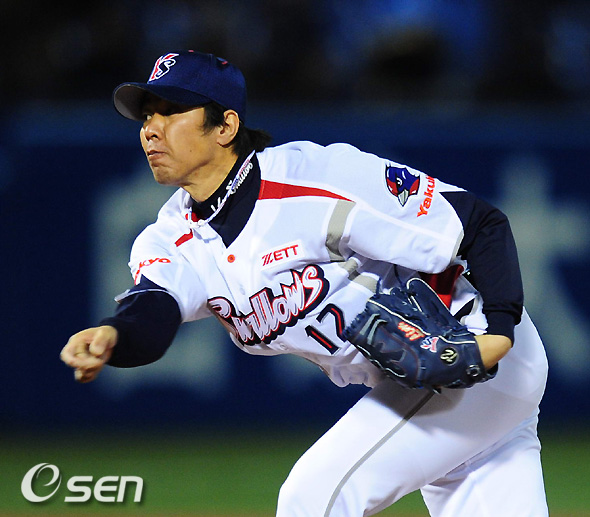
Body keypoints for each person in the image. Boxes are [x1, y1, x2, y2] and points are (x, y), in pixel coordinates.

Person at [60, 50, 549, 516]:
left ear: (226, 126)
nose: (150, 129)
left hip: (472, 356)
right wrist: (115, 334)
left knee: (314, 497)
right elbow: (154, 307)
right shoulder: (171, 237)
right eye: (147, 115)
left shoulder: (315, 179)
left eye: (170, 112)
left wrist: (498, 336)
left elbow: (479, 223)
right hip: (434, 384)